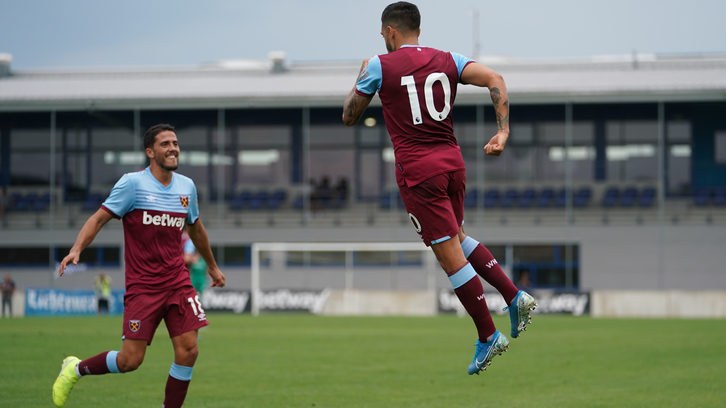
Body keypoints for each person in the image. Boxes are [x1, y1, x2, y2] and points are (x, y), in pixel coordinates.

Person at [343, 1, 536, 375]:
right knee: (458, 237)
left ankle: (487, 335)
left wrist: (360, 76)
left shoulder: (380, 65)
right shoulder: (450, 59)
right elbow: (496, 79)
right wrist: (503, 131)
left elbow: (350, 116)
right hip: (452, 165)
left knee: (448, 256)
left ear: (390, 32)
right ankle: (514, 296)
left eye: (383, 34)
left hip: (419, 172)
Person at [52, 124, 226, 408]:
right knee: (130, 360)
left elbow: (195, 229)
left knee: (188, 351)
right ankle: (75, 368)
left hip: (177, 282)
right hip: (143, 287)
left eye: (175, 143)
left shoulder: (187, 187)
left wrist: (213, 267)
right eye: (165, 144)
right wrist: (76, 249)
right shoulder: (132, 184)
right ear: (150, 152)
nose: (173, 148)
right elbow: (98, 219)